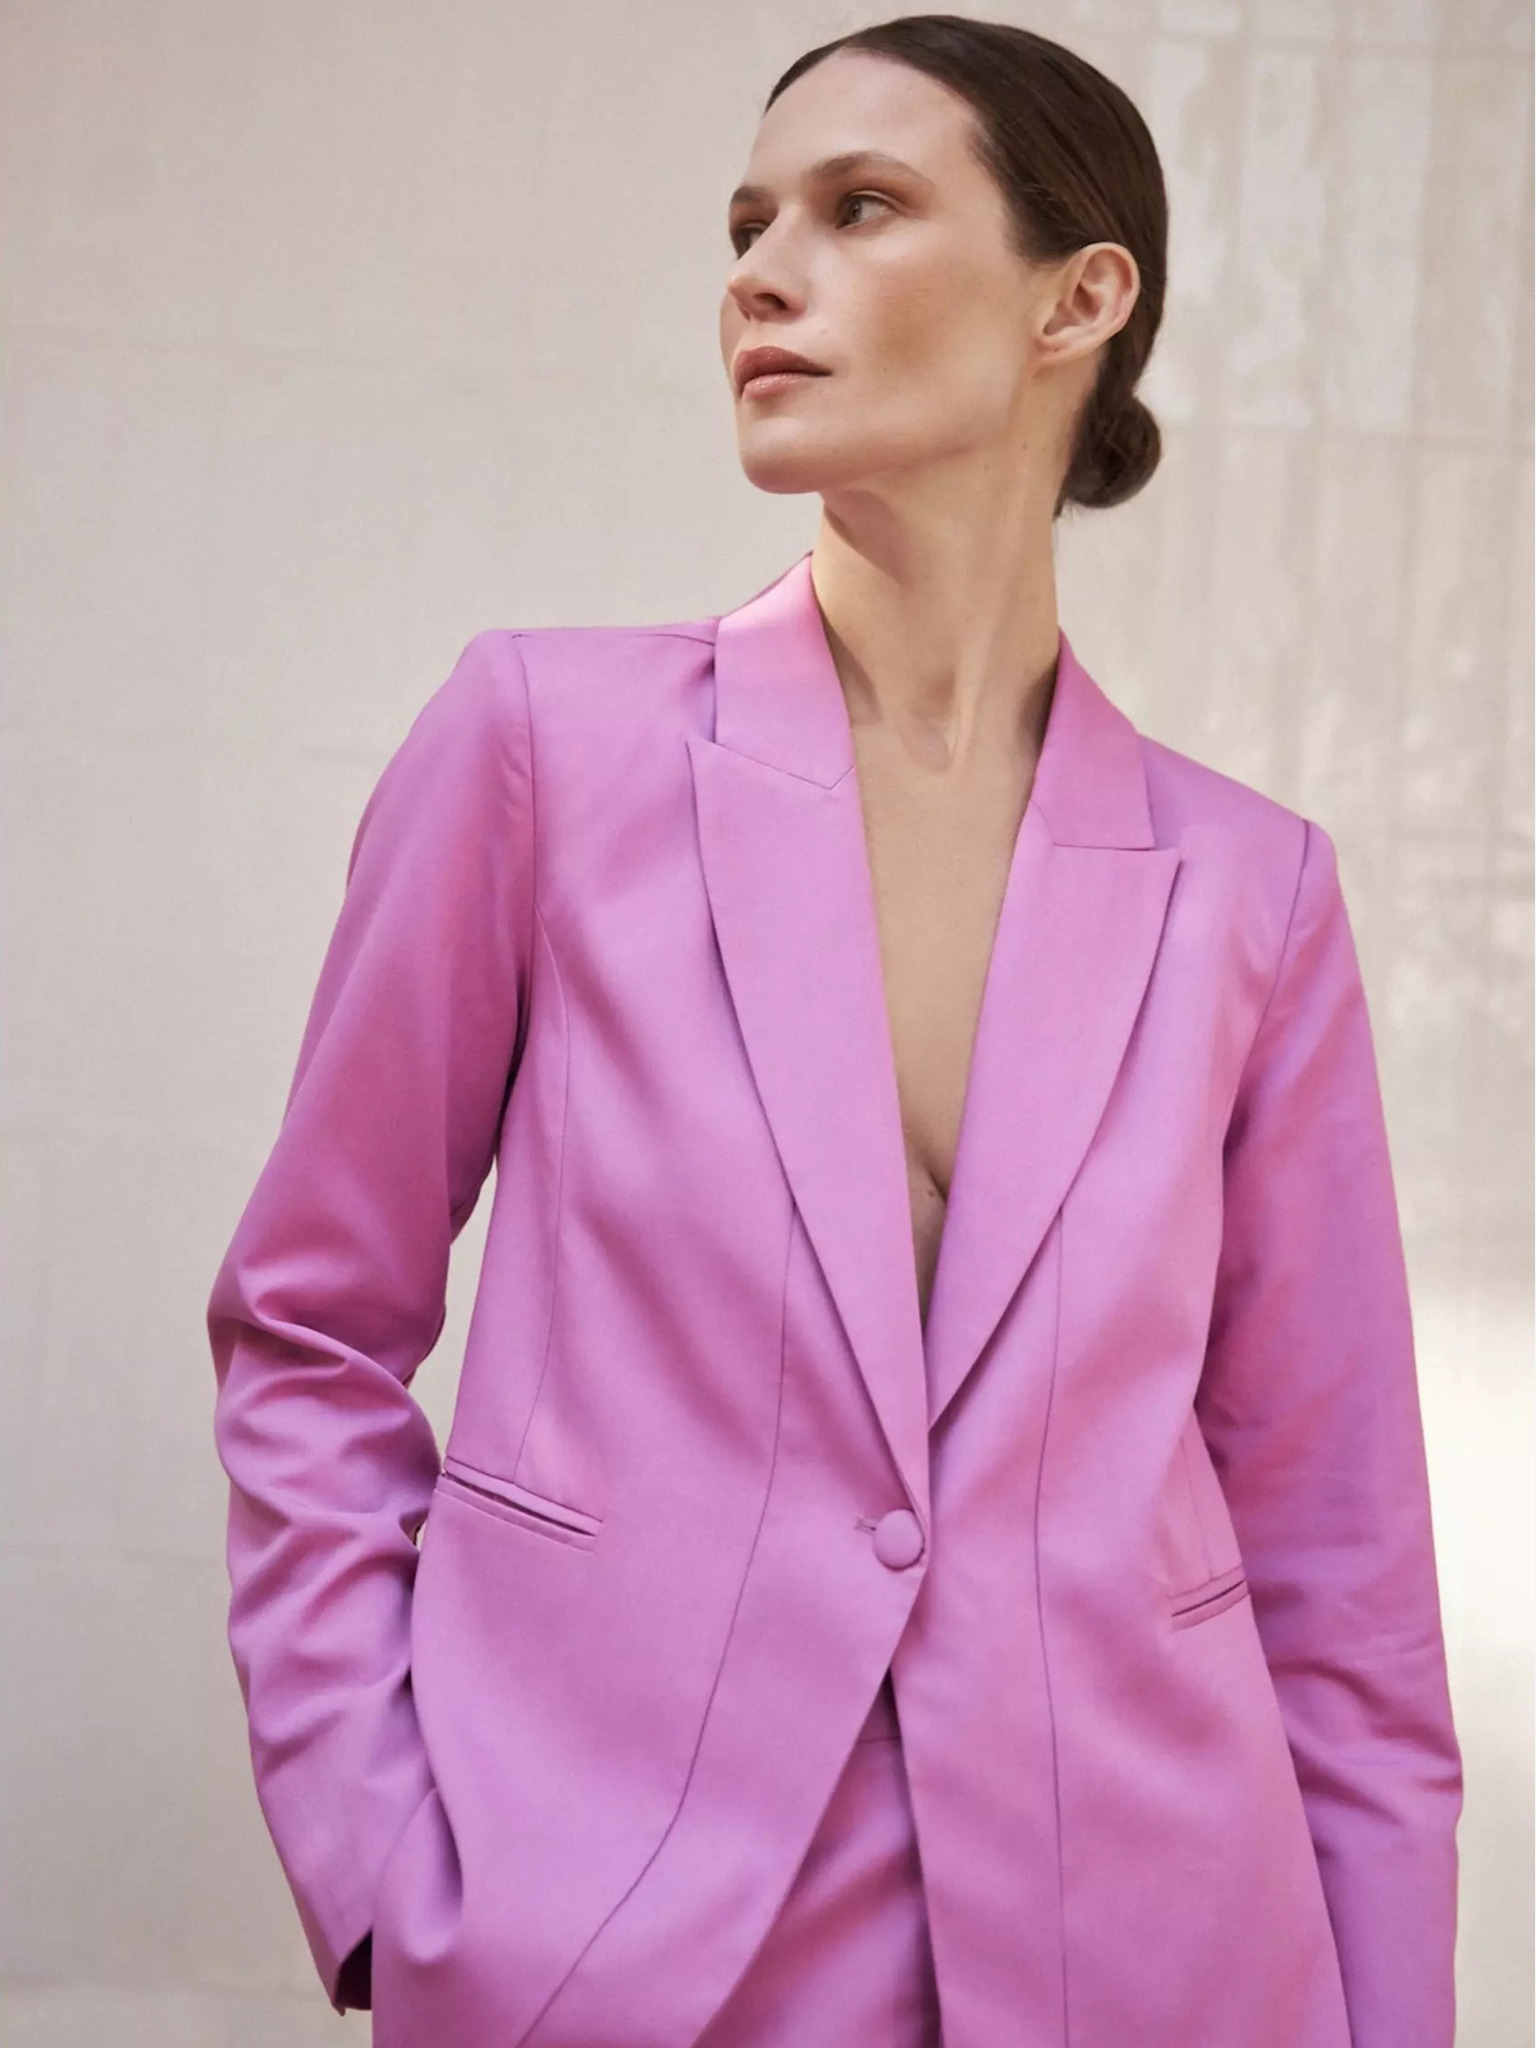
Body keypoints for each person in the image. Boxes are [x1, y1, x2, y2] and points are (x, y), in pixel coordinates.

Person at [207, 16, 1463, 2047]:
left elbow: (1342, 1559)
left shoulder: (1254, 891)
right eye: (746, 226)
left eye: (859, 207)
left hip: (1162, 1957)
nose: (761, 276)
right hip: (620, 1942)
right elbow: (307, 1328)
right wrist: (381, 1863)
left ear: (1079, 298)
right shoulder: (541, 749)